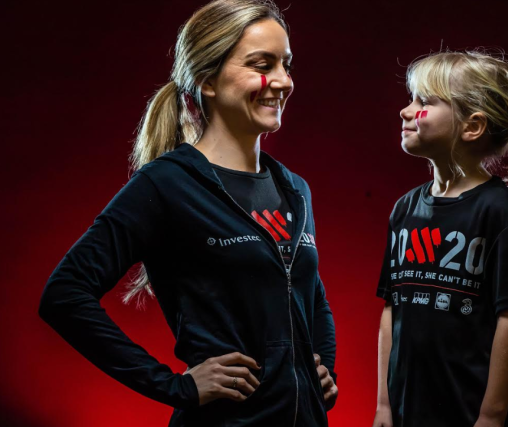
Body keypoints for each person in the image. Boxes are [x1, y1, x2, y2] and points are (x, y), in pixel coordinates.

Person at [38, 1, 338, 426]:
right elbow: (64, 294)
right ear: (207, 81)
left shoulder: (294, 189)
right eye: (262, 65)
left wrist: (322, 365)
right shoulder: (167, 184)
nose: (283, 81)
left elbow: (311, 293)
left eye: (286, 65)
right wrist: (174, 387)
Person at [372, 50, 508, 427]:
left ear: (472, 126)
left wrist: (491, 416)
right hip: (408, 413)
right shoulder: (404, 209)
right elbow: (391, 309)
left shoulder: (501, 211)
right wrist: (384, 404)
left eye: (424, 102)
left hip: (470, 415)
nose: (406, 111)